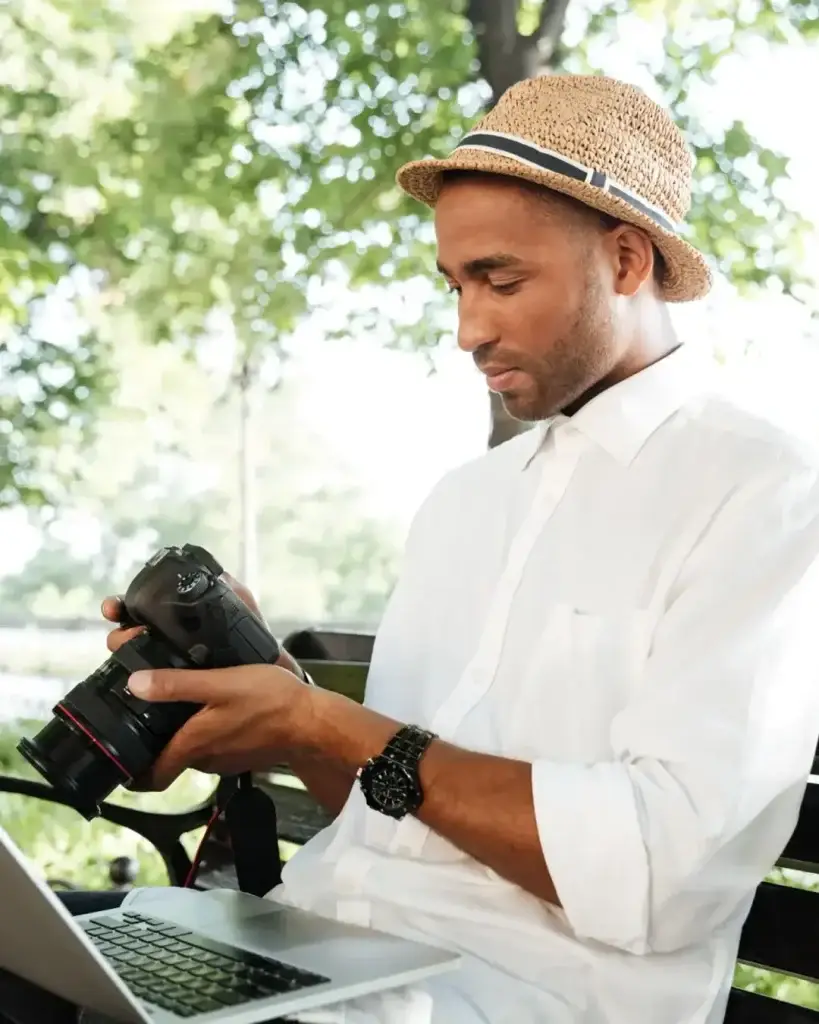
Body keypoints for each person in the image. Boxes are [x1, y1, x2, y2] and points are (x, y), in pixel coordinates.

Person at [12, 73, 819, 1024]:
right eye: (456, 284)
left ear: (628, 261)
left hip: (503, 995)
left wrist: (327, 726)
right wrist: (270, 702)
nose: (467, 328)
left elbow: (660, 874)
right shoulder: (466, 503)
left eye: (501, 280)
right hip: (310, 946)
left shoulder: (761, 495)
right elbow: (388, 796)